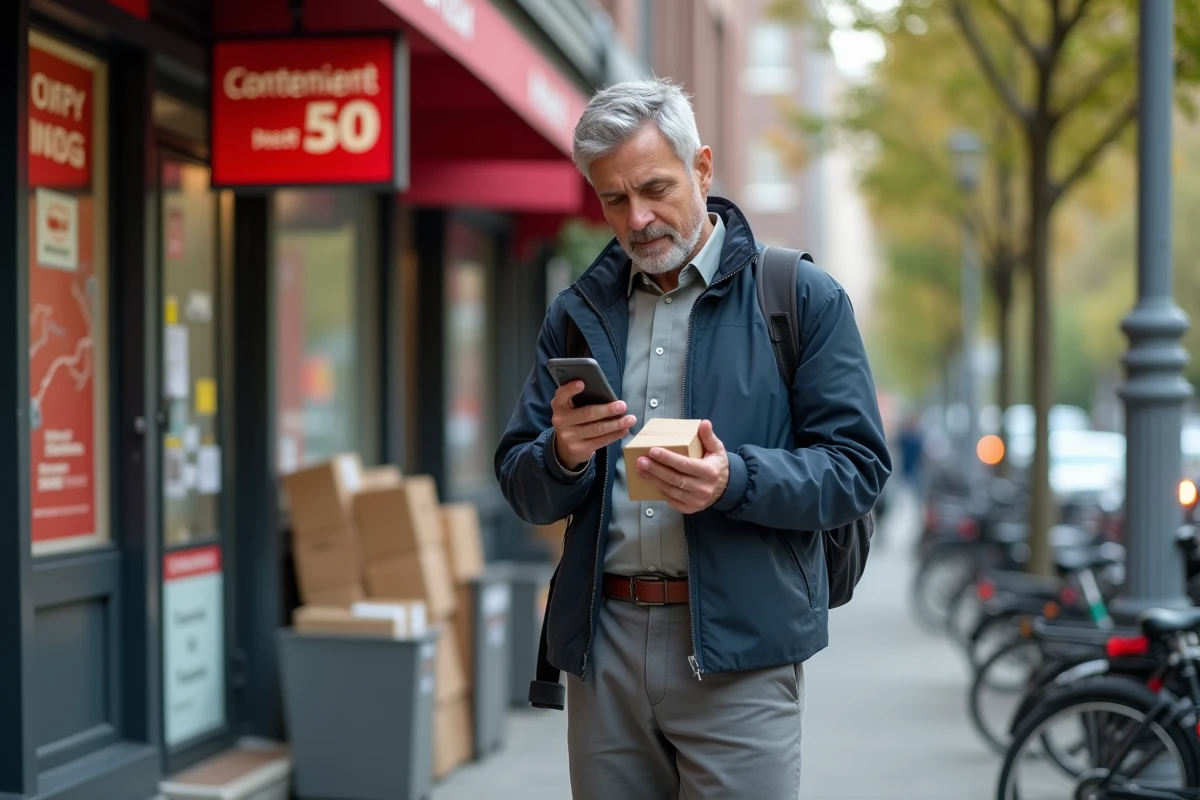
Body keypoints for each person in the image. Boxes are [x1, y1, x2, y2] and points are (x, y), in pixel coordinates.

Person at [495, 78, 891, 799]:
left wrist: (734, 480)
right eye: (614, 199)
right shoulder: (579, 311)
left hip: (739, 653)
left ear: (702, 167)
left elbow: (859, 469)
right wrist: (563, 454)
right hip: (604, 646)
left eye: (654, 187)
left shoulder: (799, 297)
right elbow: (521, 483)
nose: (638, 217)